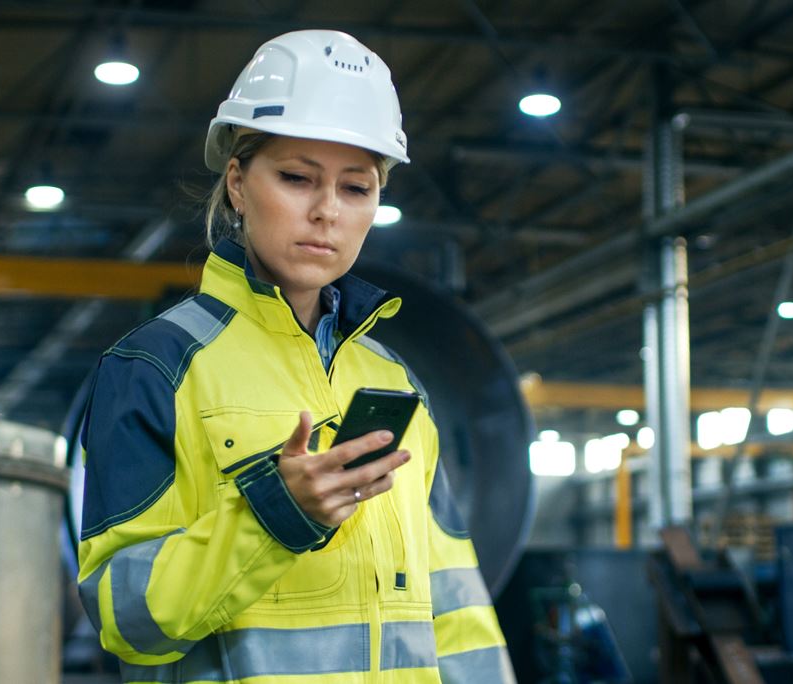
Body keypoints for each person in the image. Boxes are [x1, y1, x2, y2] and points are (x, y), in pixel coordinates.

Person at [77, 30, 515, 683]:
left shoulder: (393, 380)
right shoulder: (154, 368)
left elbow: (456, 606)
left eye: (356, 188)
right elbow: (124, 619)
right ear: (237, 184)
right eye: (295, 177)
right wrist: (271, 515)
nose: (326, 212)